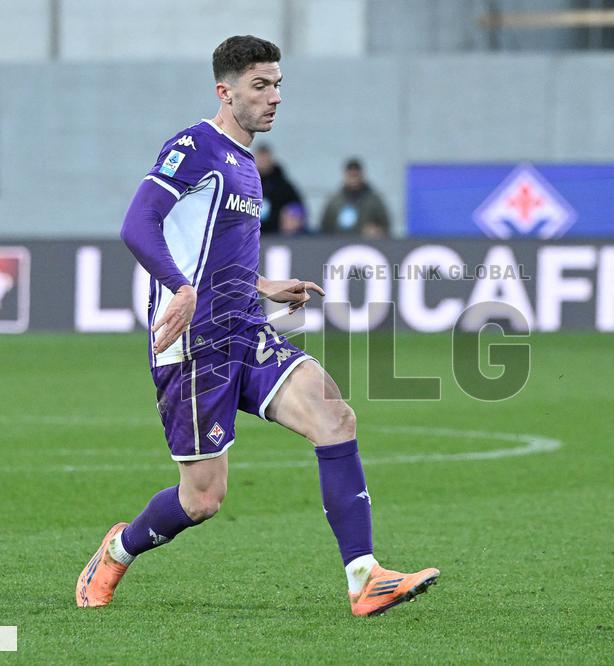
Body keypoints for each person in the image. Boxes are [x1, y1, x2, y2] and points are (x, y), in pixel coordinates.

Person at [76, 35, 438, 617]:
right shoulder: (195, 146)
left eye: (278, 85)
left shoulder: (247, 165)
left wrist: (262, 284)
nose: (274, 98)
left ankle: (364, 577)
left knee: (335, 416)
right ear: (225, 92)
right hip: (193, 345)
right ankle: (117, 550)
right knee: (202, 499)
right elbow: (137, 224)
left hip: (245, 329)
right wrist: (181, 288)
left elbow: (215, 249)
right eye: (260, 86)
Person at [319, 158, 390, 238]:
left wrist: (377, 231)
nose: (353, 179)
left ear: (362, 175)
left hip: (365, 243)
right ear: (345, 175)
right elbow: (324, 228)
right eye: (350, 175)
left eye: (356, 175)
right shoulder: (334, 201)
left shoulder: (374, 201)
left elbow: (386, 226)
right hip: (339, 242)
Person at [255, 143, 306, 235]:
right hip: (251, 235)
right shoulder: (246, 183)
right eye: (260, 158)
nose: (263, 162)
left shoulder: (283, 186)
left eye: (265, 158)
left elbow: (297, 207)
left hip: (276, 235)